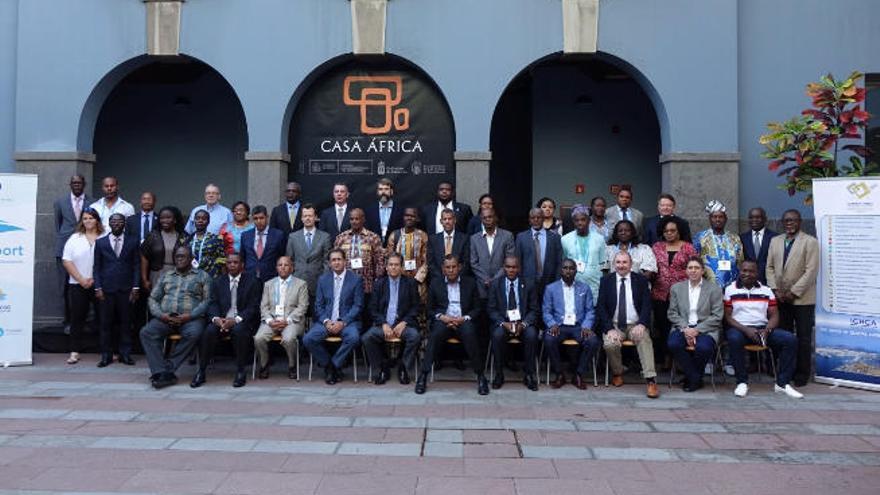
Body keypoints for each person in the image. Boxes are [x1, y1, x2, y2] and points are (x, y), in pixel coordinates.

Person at [725, 259, 804, 399]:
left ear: (757, 273)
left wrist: (767, 330)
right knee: (733, 338)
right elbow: (728, 317)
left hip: (763, 329)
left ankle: (782, 383)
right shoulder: (730, 289)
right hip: (741, 329)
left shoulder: (766, 290)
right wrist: (746, 330)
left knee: (790, 339)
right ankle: (742, 382)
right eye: (744, 270)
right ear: (739, 271)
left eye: (751, 271)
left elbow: (774, 315)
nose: (747, 274)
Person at [140, 245, 212, 389]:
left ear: (191, 259)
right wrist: (162, 315)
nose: (179, 259)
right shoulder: (166, 275)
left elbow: (207, 300)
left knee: (194, 333)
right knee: (147, 332)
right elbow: (153, 299)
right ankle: (161, 371)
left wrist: (190, 316)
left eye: (183, 256)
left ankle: (167, 368)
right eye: (177, 256)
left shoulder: (202, 276)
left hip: (190, 319)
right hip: (166, 318)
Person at [415, 255, 487, 395]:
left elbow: (477, 308)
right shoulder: (436, 283)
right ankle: (423, 376)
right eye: (448, 267)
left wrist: (464, 318)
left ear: (459, 267)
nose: (451, 270)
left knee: (470, 333)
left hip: (463, 320)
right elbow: (430, 309)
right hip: (444, 321)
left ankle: (480, 376)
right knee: (435, 335)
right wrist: (443, 317)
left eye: (454, 267)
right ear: (443, 269)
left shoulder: (470, 282)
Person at [766, 209, 819, 387]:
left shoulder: (810, 242)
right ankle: (786, 372)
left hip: (802, 298)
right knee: (785, 337)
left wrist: (794, 292)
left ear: (800, 222)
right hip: (781, 298)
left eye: (793, 220)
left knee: (803, 337)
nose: (789, 223)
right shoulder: (775, 241)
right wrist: (775, 289)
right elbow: (769, 267)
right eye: (786, 220)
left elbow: (811, 271)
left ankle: (801, 374)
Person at [191, 252, 261, 388]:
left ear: (242, 265)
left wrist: (236, 320)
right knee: (208, 332)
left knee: (240, 331)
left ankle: (241, 371)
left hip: (241, 321)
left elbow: (254, 306)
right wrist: (216, 319)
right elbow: (212, 303)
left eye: (235, 262)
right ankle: (201, 371)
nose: (232, 265)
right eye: (229, 262)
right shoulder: (218, 281)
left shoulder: (252, 281)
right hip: (222, 320)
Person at [597, 251, 659, 398]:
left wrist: (642, 324)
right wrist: (610, 329)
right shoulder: (606, 281)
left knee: (644, 339)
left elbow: (646, 305)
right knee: (610, 344)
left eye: (625, 262)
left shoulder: (641, 281)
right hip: (615, 324)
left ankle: (651, 380)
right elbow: (601, 307)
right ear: (614, 264)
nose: (621, 265)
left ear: (631, 264)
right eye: (618, 262)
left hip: (635, 324)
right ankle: (617, 372)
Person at [303, 249, 364, 384]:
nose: (336, 262)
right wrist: (326, 321)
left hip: (347, 322)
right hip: (327, 321)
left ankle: (334, 365)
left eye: (339, 259)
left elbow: (358, 306)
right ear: (329, 263)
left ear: (345, 261)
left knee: (354, 338)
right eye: (333, 260)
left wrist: (342, 322)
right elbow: (318, 305)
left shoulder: (356, 279)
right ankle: (329, 365)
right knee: (308, 339)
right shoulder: (323, 279)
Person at [361, 253, 421, 385]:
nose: (393, 267)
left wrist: (404, 322)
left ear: (402, 267)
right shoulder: (379, 284)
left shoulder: (410, 283)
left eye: (396, 265)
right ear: (386, 267)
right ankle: (382, 368)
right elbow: (372, 308)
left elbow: (416, 307)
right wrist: (383, 323)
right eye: (391, 265)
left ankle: (403, 368)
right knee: (367, 337)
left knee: (415, 336)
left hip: (404, 325)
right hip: (384, 324)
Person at [666, 256, 723, 392]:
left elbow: (717, 316)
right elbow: (672, 313)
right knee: (673, 344)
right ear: (686, 271)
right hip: (682, 327)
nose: (693, 271)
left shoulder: (714, 289)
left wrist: (697, 330)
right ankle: (695, 377)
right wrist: (686, 329)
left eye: (696, 268)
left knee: (703, 348)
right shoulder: (676, 288)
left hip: (706, 328)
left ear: (703, 271)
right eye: (690, 268)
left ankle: (690, 378)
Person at [542, 258, 599, 389]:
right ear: (560, 270)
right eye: (565, 268)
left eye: (571, 268)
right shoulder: (551, 288)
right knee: (549, 339)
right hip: (559, 326)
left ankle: (578, 374)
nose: (568, 271)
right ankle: (559, 374)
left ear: (576, 271)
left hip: (578, 326)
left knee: (592, 341)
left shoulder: (584, 288)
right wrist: (552, 324)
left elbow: (590, 310)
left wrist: (586, 326)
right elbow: (546, 311)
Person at [93, 213, 140, 367]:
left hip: (126, 289)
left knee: (126, 323)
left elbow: (136, 266)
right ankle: (106, 355)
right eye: (114, 221)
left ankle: (125, 354)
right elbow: (97, 267)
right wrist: (98, 287)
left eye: (120, 221)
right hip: (106, 290)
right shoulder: (100, 242)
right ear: (109, 223)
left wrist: (135, 286)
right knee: (106, 324)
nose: (117, 224)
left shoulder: (133, 241)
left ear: (124, 223)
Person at [651, 216, 697, 368]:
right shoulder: (656, 247)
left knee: (680, 325)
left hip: (682, 295)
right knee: (662, 327)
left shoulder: (688, 247)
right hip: (660, 293)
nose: (669, 233)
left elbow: (694, 268)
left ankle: (679, 359)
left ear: (679, 232)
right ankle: (666, 358)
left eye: (672, 231)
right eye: (666, 231)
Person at [487, 256, 539, 391]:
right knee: (497, 335)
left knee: (531, 335)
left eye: (514, 267)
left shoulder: (529, 283)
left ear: (519, 268)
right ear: (504, 267)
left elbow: (534, 309)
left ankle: (529, 375)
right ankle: (499, 374)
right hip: (504, 323)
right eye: (508, 267)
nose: (511, 270)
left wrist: (524, 324)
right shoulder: (496, 284)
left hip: (522, 322)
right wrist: (503, 323)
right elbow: (491, 309)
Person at [253, 256, 310, 380]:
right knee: (258, 338)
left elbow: (302, 306)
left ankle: (292, 365)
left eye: (286, 265)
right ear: (276, 268)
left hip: (292, 321)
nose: (283, 267)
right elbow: (264, 306)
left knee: (289, 339)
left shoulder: (301, 284)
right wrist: (269, 321)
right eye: (280, 265)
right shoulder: (268, 284)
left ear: (292, 268)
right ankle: (264, 364)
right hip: (272, 320)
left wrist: (287, 320)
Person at [61, 208, 103, 365]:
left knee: (104, 318)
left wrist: (93, 279)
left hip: (99, 284)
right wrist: (81, 279)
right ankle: (74, 352)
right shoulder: (74, 238)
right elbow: (67, 261)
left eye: (91, 218)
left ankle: (106, 350)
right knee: (77, 318)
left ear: (97, 220)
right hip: (77, 285)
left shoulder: (104, 237)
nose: (88, 221)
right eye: (85, 218)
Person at [54, 174, 91, 332]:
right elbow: (58, 225)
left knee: (86, 284)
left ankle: (86, 321)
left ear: (84, 184)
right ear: (70, 184)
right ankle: (67, 321)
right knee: (65, 286)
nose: (77, 185)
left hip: (86, 250)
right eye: (74, 183)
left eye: (79, 183)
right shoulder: (60, 202)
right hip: (65, 250)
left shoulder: (93, 202)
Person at [286, 203, 332, 306]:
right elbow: (289, 260)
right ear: (301, 218)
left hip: (317, 282)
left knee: (316, 315)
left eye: (310, 216)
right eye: (305, 216)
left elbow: (327, 261)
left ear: (316, 217)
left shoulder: (325, 237)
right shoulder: (293, 237)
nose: (307, 218)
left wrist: (323, 279)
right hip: (297, 281)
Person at [334, 208, 385, 297]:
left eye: (357, 219)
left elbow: (380, 261)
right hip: (345, 285)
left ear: (363, 219)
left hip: (367, 286)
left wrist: (377, 281)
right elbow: (334, 260)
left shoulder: (373, 237)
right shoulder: (341, 238)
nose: (354, 221)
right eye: (351, 219)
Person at [693, 200, 744, 289]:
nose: (717, 219)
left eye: (721, 217)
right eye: (714, 217)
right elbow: (695, 261)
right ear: (710, 219)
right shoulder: (700, 237)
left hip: (733, 286)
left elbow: (740, 262)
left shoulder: (735, 238)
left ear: (726, 219)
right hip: (707, 286)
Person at [469, 208, 515, 301]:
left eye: (490, 217)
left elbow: (509, 260)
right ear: (481, 220)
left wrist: (494, 280)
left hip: (501, 283)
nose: (487, 220)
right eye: (484, 218)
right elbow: (473, 263)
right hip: (482, 285)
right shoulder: (474, 238)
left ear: (496, 218)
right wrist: (485, 279)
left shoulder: (507, 236)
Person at [516, 207, 562, 297]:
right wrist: (520, 281)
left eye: (539, 217)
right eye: (533, 218)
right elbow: (518, 261)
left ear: (543, 219)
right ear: (529, 220)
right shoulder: (521, 237)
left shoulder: (554, 238)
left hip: (549, 282)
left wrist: (557, 281)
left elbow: (559, 262)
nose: (536, 220)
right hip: (527, 283)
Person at [561, 205, 605, 298]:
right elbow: (563, 262)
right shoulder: (565, 239)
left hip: (594, 284)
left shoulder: (599, 239)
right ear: (573, 222)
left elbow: (603, 264)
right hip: (573, 283)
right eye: (577, 220)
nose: (580, 223)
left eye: (583, 219)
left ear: (589, 221)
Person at [140, 206, 187, 294]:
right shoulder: (153, 236)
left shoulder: (183, 236)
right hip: (157, 274)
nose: (164, 220)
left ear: (175, 220)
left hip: (177, 275)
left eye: (168, 218)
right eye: (162, 218)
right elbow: (144, 257)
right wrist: (144, 279)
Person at [385, 207, 429, 299]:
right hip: (398, 279)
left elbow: (427, 260)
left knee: (418, 305)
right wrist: (397, 276)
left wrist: (418, 278)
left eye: (412, 216)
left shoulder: (423, 236)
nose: (409, 218)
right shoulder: (395, 235)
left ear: (417, 218)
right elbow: (389, 258)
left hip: (418, 281)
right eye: (407, 215)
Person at [240, 205, 286, 283]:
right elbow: (243, 257)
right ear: (252, 219)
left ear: (267, 217)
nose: (259, 221)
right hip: (250, 277)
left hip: (271, 277)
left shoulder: (278, 235)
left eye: (261, 218)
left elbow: (281, 255)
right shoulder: (246, 235)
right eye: (255, 218)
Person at [427, 208, 470, 280]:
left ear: (455, 220)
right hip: (439, 280)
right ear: (441, 221)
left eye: (450, 219)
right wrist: (441, 278)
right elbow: (431, 262)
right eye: (445, 219)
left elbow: (466, 261)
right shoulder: (433, 239)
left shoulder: (464, 238)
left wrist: (456, 276)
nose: (447, 221)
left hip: (459, 280)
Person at [740, 207, 777, 284]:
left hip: (769, 282)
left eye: (758, 217)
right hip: (748, 283)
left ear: (765, 219)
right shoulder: (741, 238)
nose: (754, 220)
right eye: (751, 217)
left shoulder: (775, 238)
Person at [186, 209, 226, 278]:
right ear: (194, 221)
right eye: (197, 218)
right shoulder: (187, 239)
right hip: (190, 276)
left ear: (208, 222)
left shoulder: (215, 239)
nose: (200, 221)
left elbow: (221, 260)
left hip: (210, 276)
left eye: (204, 219)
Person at [364, 177, 404, 244]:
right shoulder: (369, 211)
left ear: (391, 191)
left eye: (386, 189)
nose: (383, 192)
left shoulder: (400, 210)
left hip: (394, 248)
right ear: (377, 192)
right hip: (374, 248)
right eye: (380, 189)